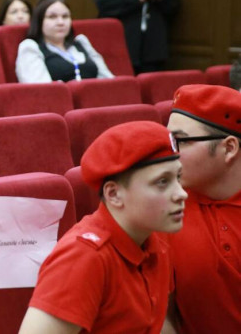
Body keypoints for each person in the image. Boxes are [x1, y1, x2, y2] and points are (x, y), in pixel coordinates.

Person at [19, 120, 186, 334]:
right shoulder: (83, 257)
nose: (181, 193)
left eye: (178, 178)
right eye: (162, 182)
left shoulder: (154, 242)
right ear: (113, 194)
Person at [166, 84, 241, 333]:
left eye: (180, 141)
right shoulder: (163, 209)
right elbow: (160, 315)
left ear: (229, 148)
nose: (168, 153)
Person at [16, 0, 114, 83]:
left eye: (65, 16)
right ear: (39, 21)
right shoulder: (30, 48)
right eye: (52, 17)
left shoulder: (81, 43)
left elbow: (108, 81)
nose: (61, 22)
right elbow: (41, 90)